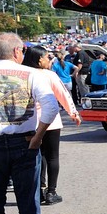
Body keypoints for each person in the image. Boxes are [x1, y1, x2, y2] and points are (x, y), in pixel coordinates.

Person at [0, 33, 59, 214]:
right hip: (24, 142)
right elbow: (51, 106)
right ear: (15, 52)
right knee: (28, 204)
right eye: (22, 51)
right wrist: (39, 136)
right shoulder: (31, 74)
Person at [22, 45, 82, 205]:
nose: (50, 60)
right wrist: (73, 113)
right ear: (38, 59)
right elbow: (63, 94)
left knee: (38, 156)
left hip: (30, 122)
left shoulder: (23, 74)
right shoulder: (49, 75)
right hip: (50, 122)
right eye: (47, 57)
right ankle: (51, 192)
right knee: (52, 156)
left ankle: (39, 190)